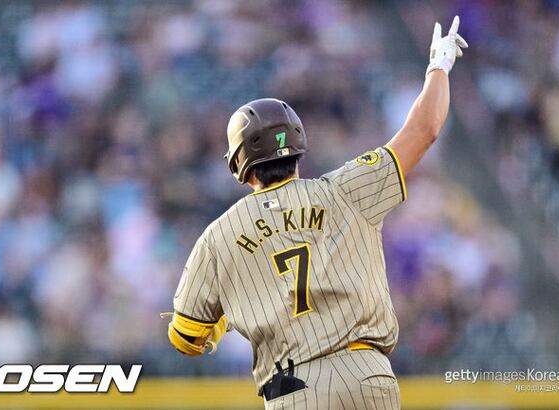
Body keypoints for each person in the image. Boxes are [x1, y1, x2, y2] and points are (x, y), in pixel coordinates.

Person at [163, 16, 467, 410]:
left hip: (292, 388)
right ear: (298, 147)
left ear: (238, 164)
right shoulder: (346, 190)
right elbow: (424, 129)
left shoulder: (218, 235)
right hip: (366, 374)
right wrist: (438, 68)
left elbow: (185, 336)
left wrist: (225, 316)